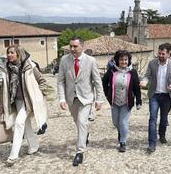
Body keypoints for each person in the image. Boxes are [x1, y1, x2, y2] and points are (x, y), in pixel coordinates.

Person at [57, 36, 104, 166]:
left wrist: (99, 99)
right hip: (71, 98)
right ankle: (85, 135)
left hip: (86, 98)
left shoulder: (91, 61)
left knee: (82, 122)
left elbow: (97, 81)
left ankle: (79, 152)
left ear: (82, 46)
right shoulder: (64, 60)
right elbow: (61, 81)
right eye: (70, 46)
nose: (72, 49)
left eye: (75, 46)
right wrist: (61, 98)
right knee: (78, 122)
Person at [0, 45, 47, 166]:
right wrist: (1, 105)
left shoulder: (29, 66)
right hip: (16, 102)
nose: (9, 55)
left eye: (12, 52)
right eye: (8, 53)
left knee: (19, 123)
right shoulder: (6, 68)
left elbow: (42, 81)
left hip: (28, 101)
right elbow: (3, 88)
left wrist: (38, 95)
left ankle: (13, 156)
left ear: (18, 54)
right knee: (26, 125)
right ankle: (34, 146)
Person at [140, 43, 171, 154]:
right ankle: (152, 143)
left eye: (163, 54)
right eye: (159, 53)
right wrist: (144, 82)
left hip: (167, 96)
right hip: (154, 95)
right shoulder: (152, 63)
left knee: (164, 118)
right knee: (152, 119)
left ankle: (162, 135)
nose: (160, 55)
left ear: (168, 54)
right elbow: (147, 76)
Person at [102, 50, 142, 153]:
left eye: (125, 59)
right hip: (115, 102)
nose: (123, 62)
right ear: (117, 60)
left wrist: (138, 101)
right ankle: (121, 132)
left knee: (123, 122)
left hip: (127, 102)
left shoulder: (132, 72)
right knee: (116, 123)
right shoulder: (112, 71)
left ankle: (123, 142)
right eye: (121, 59)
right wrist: (107, 94)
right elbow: (104, 81)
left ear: (128, 60)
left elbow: (137, 88)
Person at [84, 49, 95, 122]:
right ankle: (88, 114)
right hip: (84, 84)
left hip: (90, 83)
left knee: (90, 99)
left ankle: (90, 114)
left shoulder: (92, 62)